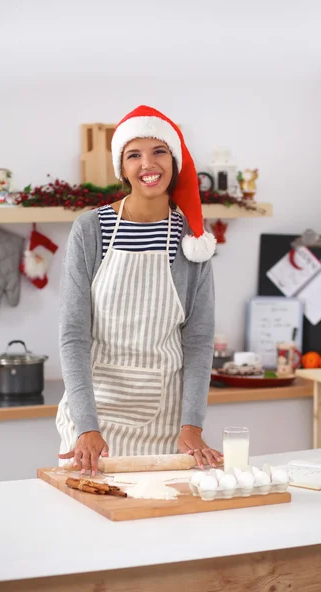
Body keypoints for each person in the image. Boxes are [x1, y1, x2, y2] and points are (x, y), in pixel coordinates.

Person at [56, 105, 221, 476]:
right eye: (134, 155)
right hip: (92, 423)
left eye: (159, 151)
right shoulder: (90, 230)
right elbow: (73, 336)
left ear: (174, 160)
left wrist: (192, 425)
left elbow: (198, 340)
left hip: (165, 423)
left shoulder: (191, 239)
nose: (149, 164)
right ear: (122, 168)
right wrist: (86, 426)